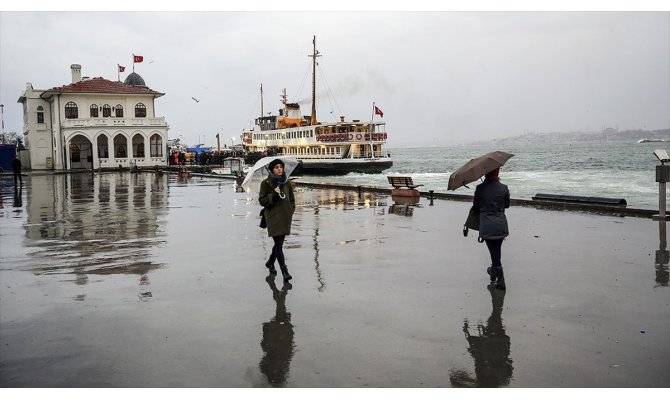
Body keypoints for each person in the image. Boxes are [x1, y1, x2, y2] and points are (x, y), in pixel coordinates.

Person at [473, 167, 510, 290]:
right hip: (500, 224)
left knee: (494, 252)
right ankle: (493, 273)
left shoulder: (480, 189)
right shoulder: (504, 188)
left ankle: (501, 280)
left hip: (487, 225)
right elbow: (507, 205)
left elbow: (476, 207)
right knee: (496, 250)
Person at [259, 159, 296, 282]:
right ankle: (285, 272)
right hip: (273, 217)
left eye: (281, 167)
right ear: (272, 170)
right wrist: (273, 196)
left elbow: (292, 200)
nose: (279, 169)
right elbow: (262, 201)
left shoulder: (287, 183)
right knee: (279, 245)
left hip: (285, 216)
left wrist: (290, 211)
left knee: (278, 244)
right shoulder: (266, 183)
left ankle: (270, 262)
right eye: (276, 167)